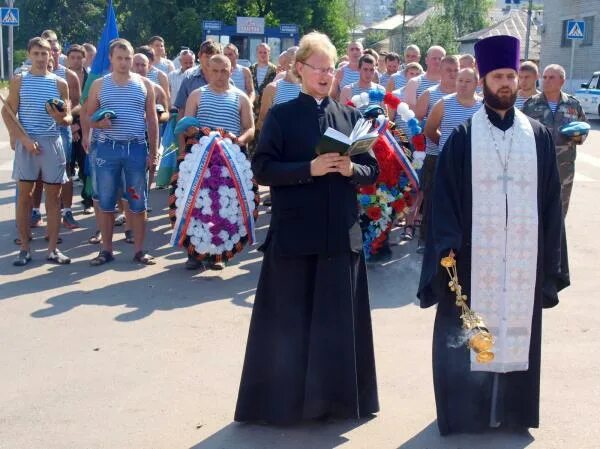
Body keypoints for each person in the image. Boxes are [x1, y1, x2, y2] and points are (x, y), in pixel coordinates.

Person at [418, 35, 569, 436]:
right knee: (469, 333)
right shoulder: (464, 138)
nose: (505, 83)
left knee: (516, 330)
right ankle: (468, 414)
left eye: (511, 76)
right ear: (484, 80)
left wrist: (550, 257)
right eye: (497, 76)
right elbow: (444, 198)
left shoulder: (536, 136)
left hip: (522, 260)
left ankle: (513, 413)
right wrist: (447, 250)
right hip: (470, 261)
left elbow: (551, 203)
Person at [235, 31, 380, 424]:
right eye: (319, 68)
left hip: (339, 234)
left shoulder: (350, 117)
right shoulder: (282, 116)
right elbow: (262, 169)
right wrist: (308, 169)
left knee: (335, 322)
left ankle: (334, 403)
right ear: (300, 70)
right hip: (296, 236)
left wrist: (352, 168)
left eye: (331, 69)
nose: (326, 75)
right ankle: (285, 405)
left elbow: (373, 171)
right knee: (292, 323)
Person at [86, 38, 159, 266]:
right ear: (111, 58)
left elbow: (153, 120)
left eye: (128, 58)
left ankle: (139, 251)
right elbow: (88, 117)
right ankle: (106, 250)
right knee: (106, 202)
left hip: (136, 150)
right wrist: (99, 124)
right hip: (106, 150)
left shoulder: (144, 84)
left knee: (137, 203)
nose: (125, 62)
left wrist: (153, 152)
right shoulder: (99, 84)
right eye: (120, 58)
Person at [180, 54, 255, 270]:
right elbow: (186, 123)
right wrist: (190, 130)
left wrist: (238, 142)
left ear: (232, 71)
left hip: (228, 162)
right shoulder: (197, 95)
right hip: (201, 161)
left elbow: (250, 128)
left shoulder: (240, 97)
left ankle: (219, 253)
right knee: (196, 206)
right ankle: (194, 253)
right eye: (215, 70)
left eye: (225, 70)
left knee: (225, 207)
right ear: (207, 71)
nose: (220, 75)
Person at [2, 37, 72, 266]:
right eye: (36, 54)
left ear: (51, 55)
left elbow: (69, 117)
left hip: (52, 143)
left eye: (45, 54)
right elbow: (7, 112)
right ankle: (24, 247)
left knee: (54, 198)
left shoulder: (59, 83)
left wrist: (60, 117)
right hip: (28, 144)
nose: (41, 58)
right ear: (29, 55)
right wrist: (22, 139)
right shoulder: (20, 81)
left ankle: (52, 249)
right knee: (25, 197)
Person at [522, 64, 587, 216]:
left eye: (551, 77)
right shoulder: (530, 105)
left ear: (562, 81)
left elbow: (582, 131)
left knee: (560, 209)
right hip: (537, 167)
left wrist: (577, 135)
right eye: (544, 77)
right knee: (536, 209)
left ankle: (557, 239)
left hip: (563, 168)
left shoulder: (573, 105)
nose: (546, 80)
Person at [414, 55, 458, 253]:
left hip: (459, 158)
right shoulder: (430, 94)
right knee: (431, 197)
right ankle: (424, 239)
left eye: (455, 70)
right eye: (448, 70)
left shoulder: (465, 95)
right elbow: (419, 123)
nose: (453, 74)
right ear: (440, 71)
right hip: (435, 155)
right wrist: (445, 143)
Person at [424, 67, 482, 151]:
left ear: (476, 83)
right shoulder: (443, 103)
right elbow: (429, 130)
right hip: (448, 158)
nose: (463, 84)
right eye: (460, 80)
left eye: (468, 81)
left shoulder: (483, 106)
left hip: (474, 158)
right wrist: (447, 144)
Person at [66, 44, 93, 214]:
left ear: (84, 58)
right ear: (67, 58)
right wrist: (71, 127)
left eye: (79, 57)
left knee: (86, 166)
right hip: (65, 126)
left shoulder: (91, 78)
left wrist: (79, 126)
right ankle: (64, 205)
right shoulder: (62, 76)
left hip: (86, 126)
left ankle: (88, 200)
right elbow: (60, 106)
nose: (76, 60)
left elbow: (89, 104)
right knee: (67, 166)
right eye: (72, 57)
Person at [174, 40, 222, 113]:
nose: (210, 60)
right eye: (207, 56)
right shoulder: (189, 79)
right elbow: (182, 109)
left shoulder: (225, 80)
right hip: (194, 123)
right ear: (199, 56)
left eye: (214, 57)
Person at [250, 43, 277, 119]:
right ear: (257, 54)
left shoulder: (275, 70)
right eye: (260, 52)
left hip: (268, 109)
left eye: (265, 52)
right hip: (252, 109)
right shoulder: (250, 69)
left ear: (269, 53)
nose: (263, 54)